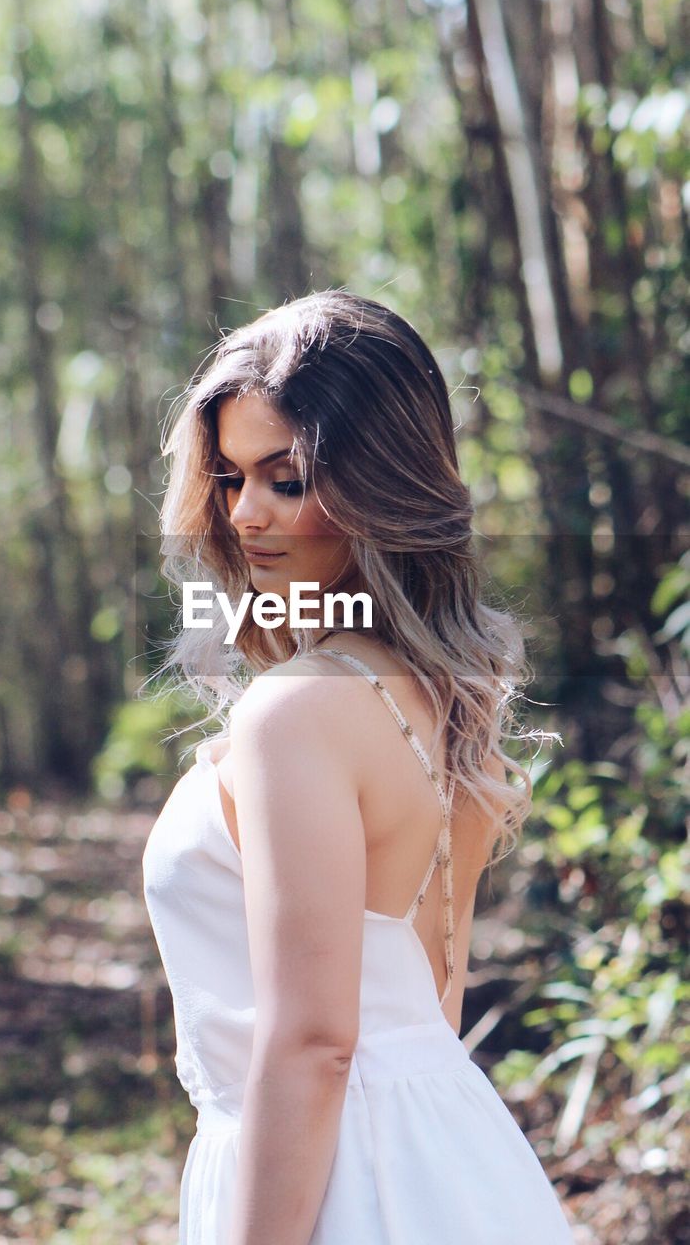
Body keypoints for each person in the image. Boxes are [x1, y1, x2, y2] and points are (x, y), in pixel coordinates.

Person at [142, 288, 575, 1244]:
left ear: (377, 482)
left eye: (285, 478)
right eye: (229, 478)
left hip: (334, 1183)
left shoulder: (297, 711)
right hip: (450, 1162)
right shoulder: (435, 697)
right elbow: (431, 1000)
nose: (247, 512)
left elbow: (312, 1045)